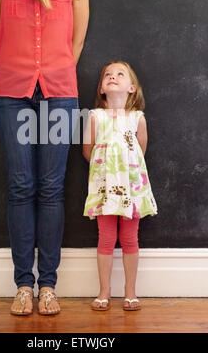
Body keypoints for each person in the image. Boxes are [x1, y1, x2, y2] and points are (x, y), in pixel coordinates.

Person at [0, 0, 89, 316]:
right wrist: (22, 71)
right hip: (12, 93)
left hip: (59, 93)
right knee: (21, 185)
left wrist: (51, 75)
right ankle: (23, 286)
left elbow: (76, 41)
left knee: (51, 188)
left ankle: (48, 285)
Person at [82, 61, 157, 311]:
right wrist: (107, 170)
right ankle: (104, 292)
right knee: (106, 238)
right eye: (108, 75)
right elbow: (87, 150)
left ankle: (130, 292)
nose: (113, 77)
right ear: (102, 88)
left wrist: (126, 171)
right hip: (105, 188)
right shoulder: (95, 116)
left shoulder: (137, 118)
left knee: (129, 238)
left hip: (131, 188)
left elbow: (140, 151)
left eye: (119, 74)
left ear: (131, 87)